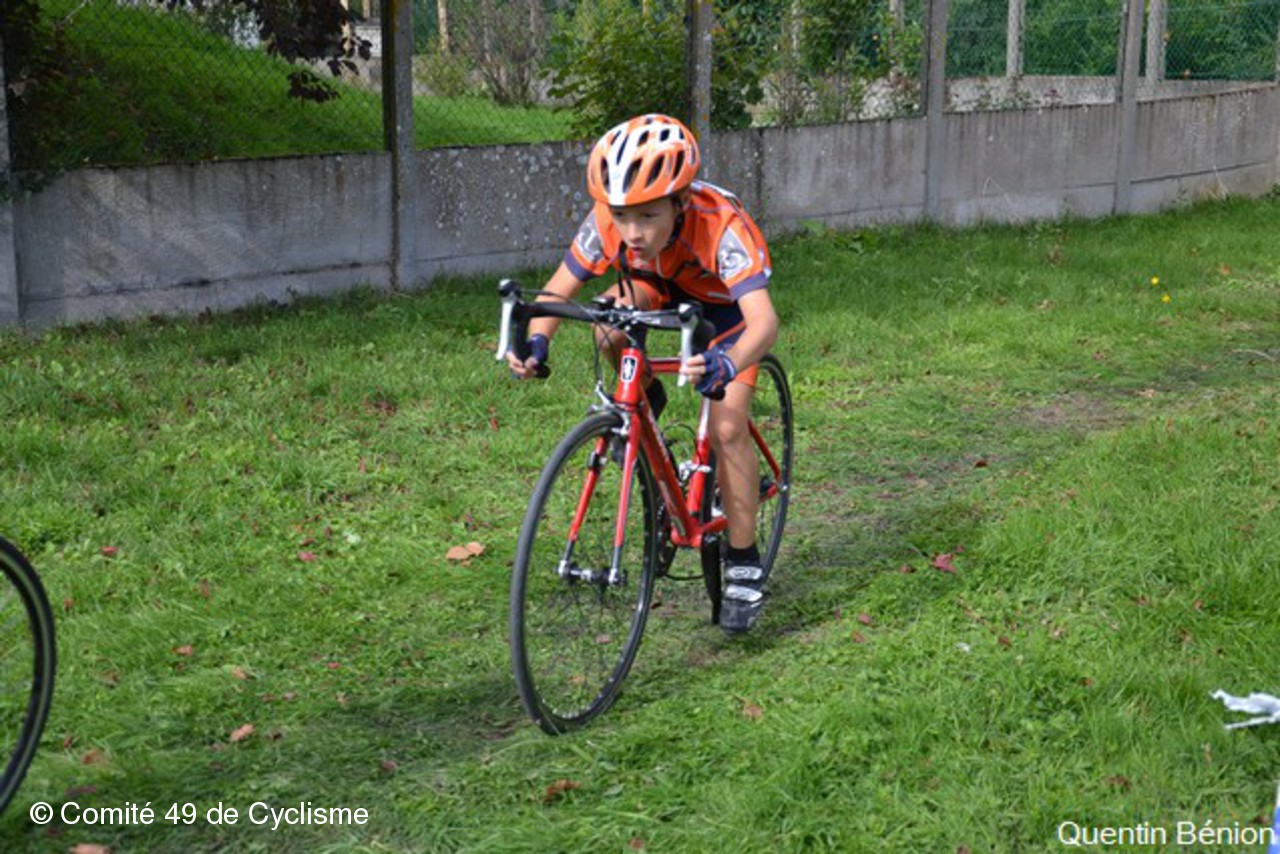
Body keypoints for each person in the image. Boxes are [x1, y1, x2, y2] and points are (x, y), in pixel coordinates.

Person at [506, 113, 779, 632]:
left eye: (649, 216)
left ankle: (744, 561)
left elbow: (764, 323)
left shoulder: (721, 227)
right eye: (621, 215)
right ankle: (644, 405)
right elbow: (559, 289)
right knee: (606, 327)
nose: (632, 232)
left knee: (727, 426)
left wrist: (727, 362)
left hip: (725, 310)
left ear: (680, 202)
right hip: (656, 288)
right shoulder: (607, 222)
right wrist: (538, 341)